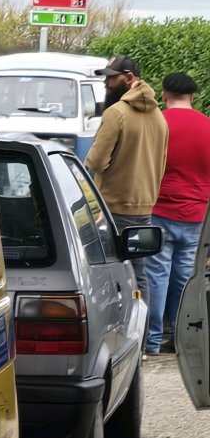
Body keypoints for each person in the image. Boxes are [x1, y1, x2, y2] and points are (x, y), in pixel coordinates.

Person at [85, 56, 168, 290]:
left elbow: (96, 161)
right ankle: (144, 327)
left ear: (129, 77)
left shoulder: (116, 113)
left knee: (112, 276)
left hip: (114, 205)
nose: (106, 84)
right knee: (139, 274)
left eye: (112, 78)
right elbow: (161, 162)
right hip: (145, 206)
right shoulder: (159, 116)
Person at [146, 72, 210, 353]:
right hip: (197, 214)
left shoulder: (157, 124)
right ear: (192, 97)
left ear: (164, 95)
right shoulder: (207, 126)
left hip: (159, 209)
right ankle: (182, 340)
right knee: (185, 276)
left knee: (156, 275)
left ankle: (152, 340)